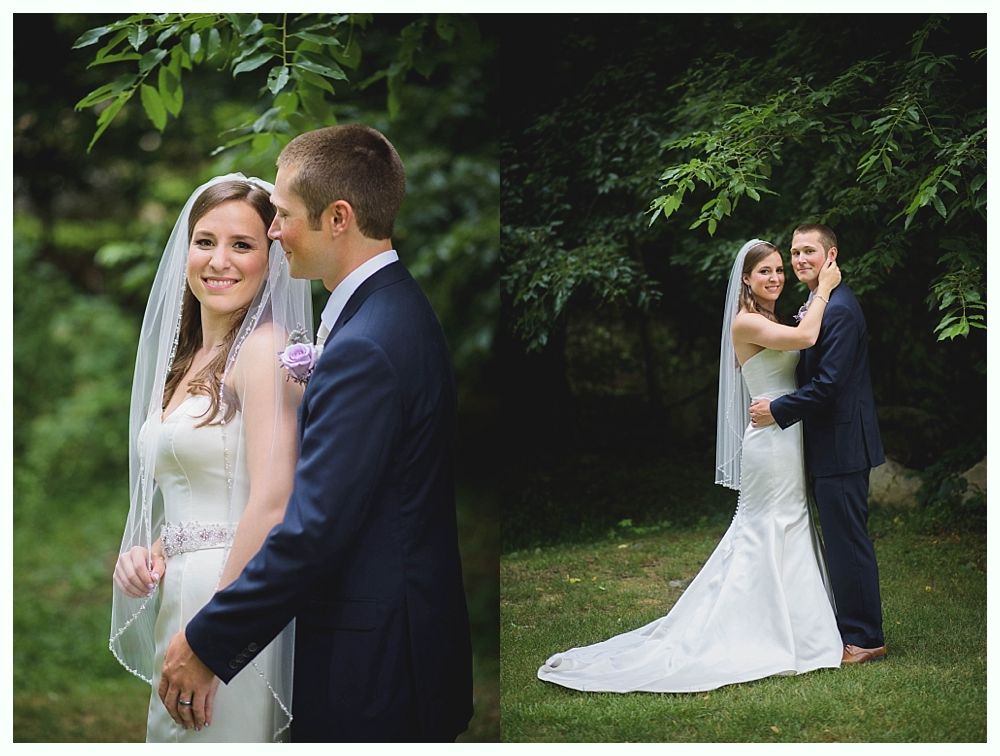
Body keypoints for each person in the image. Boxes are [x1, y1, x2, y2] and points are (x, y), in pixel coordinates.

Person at [156, 124, 474, 741]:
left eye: (283, 215)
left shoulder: (367, 343)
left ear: (338, 217)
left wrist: (207, 640)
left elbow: (314, 527)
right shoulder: (391, 309)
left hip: (375, 657)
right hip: (395, 635)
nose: (274, 232)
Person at [537, 239, 844, 693]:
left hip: (786, 431)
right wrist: (825, 287)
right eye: (766, 272)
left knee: (791, 522)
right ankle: (760, 631)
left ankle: (803, 628)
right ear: (746, 278)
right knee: (768, 526)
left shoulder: (771, 316)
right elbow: (805, 339)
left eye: (780, 270)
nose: (776, 277)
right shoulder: (746, 321)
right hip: (770, 444)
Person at [110, 174, 313, 741]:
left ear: (271, 259)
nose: (219, 260)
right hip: (181, 590)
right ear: (185, 249)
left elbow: (272, 500)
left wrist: (215, 636)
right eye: (205, 241)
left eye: (242, 245)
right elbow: (205, 485)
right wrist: (150, 553)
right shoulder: (191, 358)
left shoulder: (264, 349)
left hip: (230, 595)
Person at [749, 224, 886, 664]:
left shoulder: (841, 309)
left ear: (831, 256)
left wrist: (779, 410)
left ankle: (866, 639)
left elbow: (828, 385)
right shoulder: (814, 304)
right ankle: (845, 627)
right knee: (839, 540)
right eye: (795, 252)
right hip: (825, 444)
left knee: (848, 542)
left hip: (843, 445)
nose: (800, 259)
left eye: (810, 250)